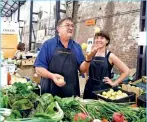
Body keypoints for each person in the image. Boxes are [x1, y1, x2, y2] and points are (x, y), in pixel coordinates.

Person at [34, 17, 97, 97]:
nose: (71, 28)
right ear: (58, 29)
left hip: (70, 92)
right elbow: (39, 68)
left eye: (72, 26)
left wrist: (88, 59)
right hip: (49, 92)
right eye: (67, 25)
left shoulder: (76, 47)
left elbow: (82, 69)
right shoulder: (48, 44)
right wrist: (52, 76)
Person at [83, 31, 130, 99]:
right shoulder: (91, 54)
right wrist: (86, 77)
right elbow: (86, 68)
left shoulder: (110, 56)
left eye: (102, 38)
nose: (98, 40)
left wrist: (114, 83)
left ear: (107, 41)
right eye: (97, 38)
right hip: (89, 87)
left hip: (103, 89)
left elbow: (126, 71)